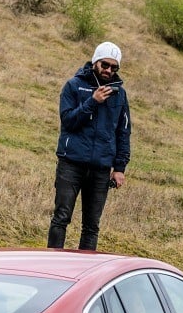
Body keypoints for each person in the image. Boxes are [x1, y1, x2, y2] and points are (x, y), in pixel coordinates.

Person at [47, 41, 131, 251]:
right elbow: (68, 121)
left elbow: (123, 131)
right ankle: (51, 262)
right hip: (71, 164)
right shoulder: (73, 86)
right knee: (61, 217)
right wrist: (92, 101)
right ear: (95, 62)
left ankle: (85, 270)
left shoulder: (119, 94)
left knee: (92, 226)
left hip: (101, 168)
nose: (108, 70)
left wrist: (119, 168)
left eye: (114, 67)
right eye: (105, 65)